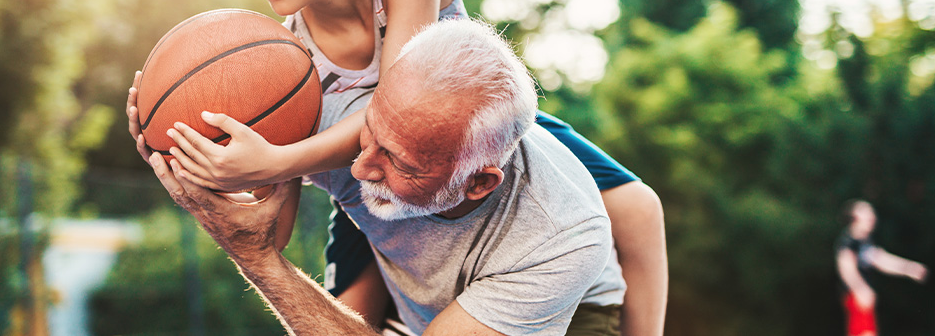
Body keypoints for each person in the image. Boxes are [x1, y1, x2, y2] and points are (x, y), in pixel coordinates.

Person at [124, 0, 665, 333]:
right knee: (334, 311)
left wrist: (275, 160)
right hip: (375, 187)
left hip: (466, 135)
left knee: (637, 208)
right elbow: (273, 230)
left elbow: (391, 100)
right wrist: (188, 154)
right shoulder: (278, 63)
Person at [153, 19, 627, 335]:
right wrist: (168, 147)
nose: (359, 168)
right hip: (421, 301)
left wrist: (255, 258)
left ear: (478, 182)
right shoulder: (337, 116)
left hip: (570, 315)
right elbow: (256, 206)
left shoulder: (561, 240)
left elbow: (262, 251)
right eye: (369, 132)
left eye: (399, 163)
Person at [835, 199, 928, 336]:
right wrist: (860, 289)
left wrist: (909, 268)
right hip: (856, 297)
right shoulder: (848, 242)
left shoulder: (865, 242)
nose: (872, 216)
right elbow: (846, 268)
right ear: (854, 218)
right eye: (866, 212)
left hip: (863, 297)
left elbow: (883, 260)